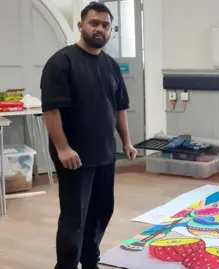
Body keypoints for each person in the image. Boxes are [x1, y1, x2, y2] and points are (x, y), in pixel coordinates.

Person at [40, 2, 137, 269]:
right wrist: (62, 148)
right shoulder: (61, 62)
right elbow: (51, 109)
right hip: (74, 155)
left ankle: (90, 259)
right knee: (74, 216)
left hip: (105, 151)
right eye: (94, 23)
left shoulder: (110, 65)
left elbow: (120, 107)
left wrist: (126, 142)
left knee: (101, 211)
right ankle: (67, 265)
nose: (100, 29)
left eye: (106, 25)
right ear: (81, 25)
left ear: (110, 31)